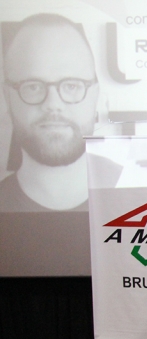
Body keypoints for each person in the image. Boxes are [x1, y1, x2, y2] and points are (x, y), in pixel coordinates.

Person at [0, 13, 118, 211]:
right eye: (33, 86)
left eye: (72, 86)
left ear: (96, 97)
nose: (53, 104)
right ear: (7, 97)